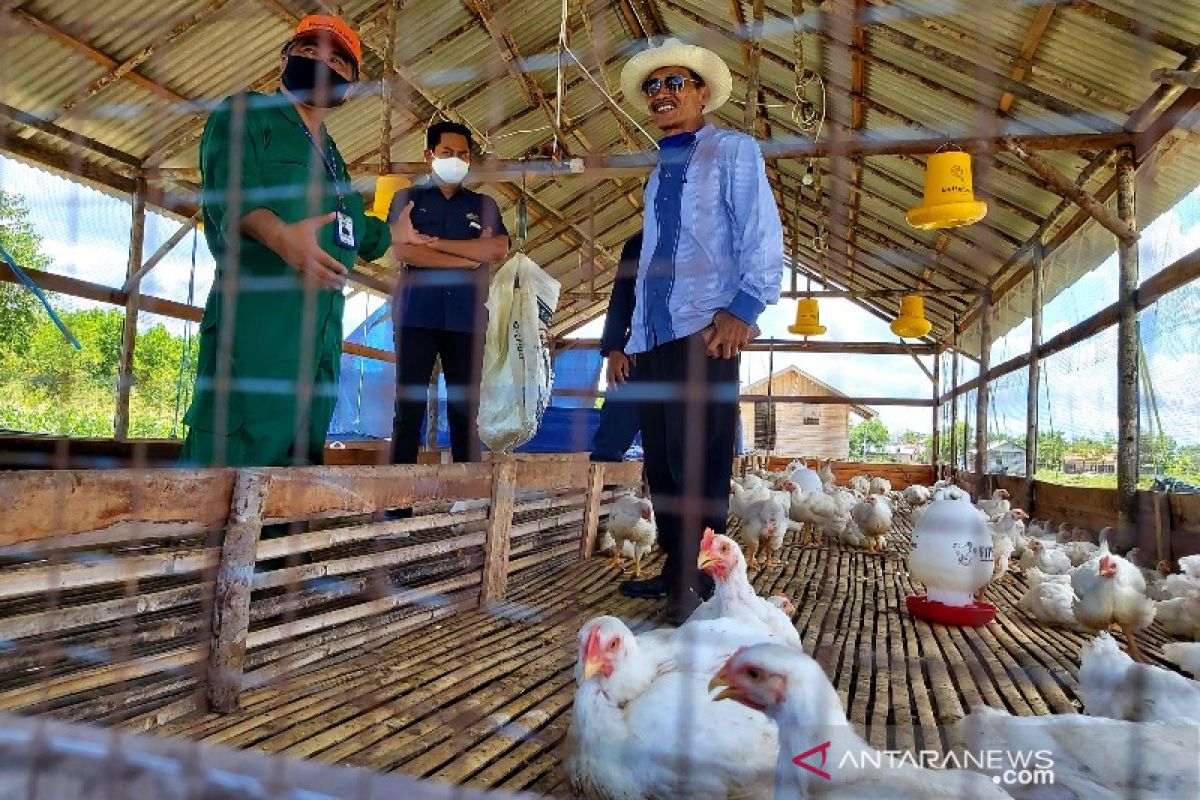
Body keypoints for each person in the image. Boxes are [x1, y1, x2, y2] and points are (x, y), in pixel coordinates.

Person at [181, 14, 433, 467]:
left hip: (318, 359)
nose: (321, 64)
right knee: (222, 484)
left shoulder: (335, 162)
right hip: (256, 344)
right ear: (285, 59)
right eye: (309, 52)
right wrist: (279, 235)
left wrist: (395, 234)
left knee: (289, 497)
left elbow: (356, 230)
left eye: (337, 61)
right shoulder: (246, 113)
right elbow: (230, 192)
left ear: (350, 87)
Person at [616, 39, 784, 623]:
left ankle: (703, 583)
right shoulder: (658, 172)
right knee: (661, 462)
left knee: (700, 460)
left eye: (675, 84)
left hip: (707, 328)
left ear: (702, 93)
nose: (663, 95)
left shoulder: (733, 151)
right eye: (653, 87)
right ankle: (673, 571)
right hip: (658, 336)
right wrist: (634, 337)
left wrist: (744, 308)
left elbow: (760, 232)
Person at [388, 121, 510, 467]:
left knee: (464, 412)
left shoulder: (484, 204)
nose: (455, 159)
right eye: (447, 153)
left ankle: (467, 501)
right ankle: (399, 503)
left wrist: (438, 247)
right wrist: (468, 257)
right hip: (416, 316)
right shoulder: (407, 199)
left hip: (467, 321)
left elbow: (498, 249)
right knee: (407, 411)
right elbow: (403, 252)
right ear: (429, 155)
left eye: (462, 154)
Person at [590, 231, 643, 463]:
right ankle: (602, 488)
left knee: (676, 434)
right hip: (637, 350)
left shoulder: (703, 235)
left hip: (684, 349)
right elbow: (620, 298)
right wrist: (614, 348)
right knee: (614, 427)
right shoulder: (637, 243)